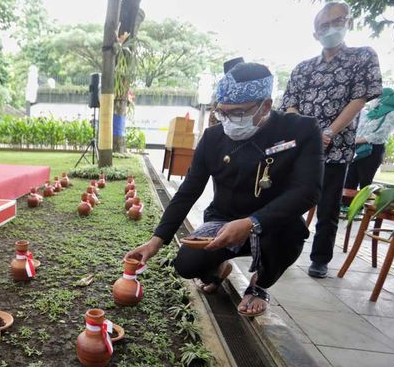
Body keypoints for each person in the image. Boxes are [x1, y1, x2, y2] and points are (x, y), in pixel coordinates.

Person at [126, 63, 323, 317]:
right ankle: (219, 269)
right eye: (223, 112)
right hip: (223, 221)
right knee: (186, 264)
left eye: (238, 112)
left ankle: (259, 285)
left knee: (291, 235)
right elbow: (188, 191)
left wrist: (252, 222)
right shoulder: (213, 138)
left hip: (273, 223)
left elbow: (307, 191)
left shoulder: (300, 130)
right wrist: (156, 241)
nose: (229, 121)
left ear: (265, 105)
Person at [281, 1, 382, 279]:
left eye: (338, 22)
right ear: (315, 33)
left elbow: (359, 98)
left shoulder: (362, 57)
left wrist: (328, 132)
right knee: (288, 200)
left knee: (327, 207)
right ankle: (282, 248)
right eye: (324, 26)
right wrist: (302, 132)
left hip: (335, 147)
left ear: (348, 23)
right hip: (300, 148)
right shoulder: (303, 68)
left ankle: (320, 258)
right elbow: (290, 103)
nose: (331, 29)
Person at [344, 88, 394, 189]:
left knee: (365, 182)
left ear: (387, 98)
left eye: (378, 97)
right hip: (357, 148)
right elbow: (359, 129)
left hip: (372, 151)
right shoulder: (371, 112)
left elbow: (381, 135)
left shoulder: (393, 114)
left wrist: (357, 140)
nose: (375, 99)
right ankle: (346, 204)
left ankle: (360, 204)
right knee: (350, 179)